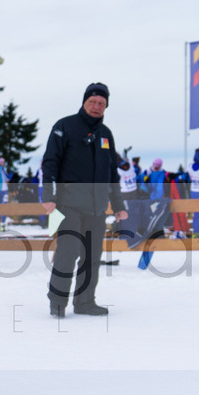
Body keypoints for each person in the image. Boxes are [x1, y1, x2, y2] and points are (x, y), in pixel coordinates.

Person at [41, 82, 127, 318]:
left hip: (97, 208)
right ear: (84, 102)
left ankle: (85, 302)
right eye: (93, 102)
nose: (97, 106)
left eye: (102, 103)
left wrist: (118, 204)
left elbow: (112, 173)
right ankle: (57, 302)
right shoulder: (64, 126)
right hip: (69, 204)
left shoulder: (105, 134)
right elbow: (50, 162)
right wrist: (48, 195)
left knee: (92, 256)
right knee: (67, 253)